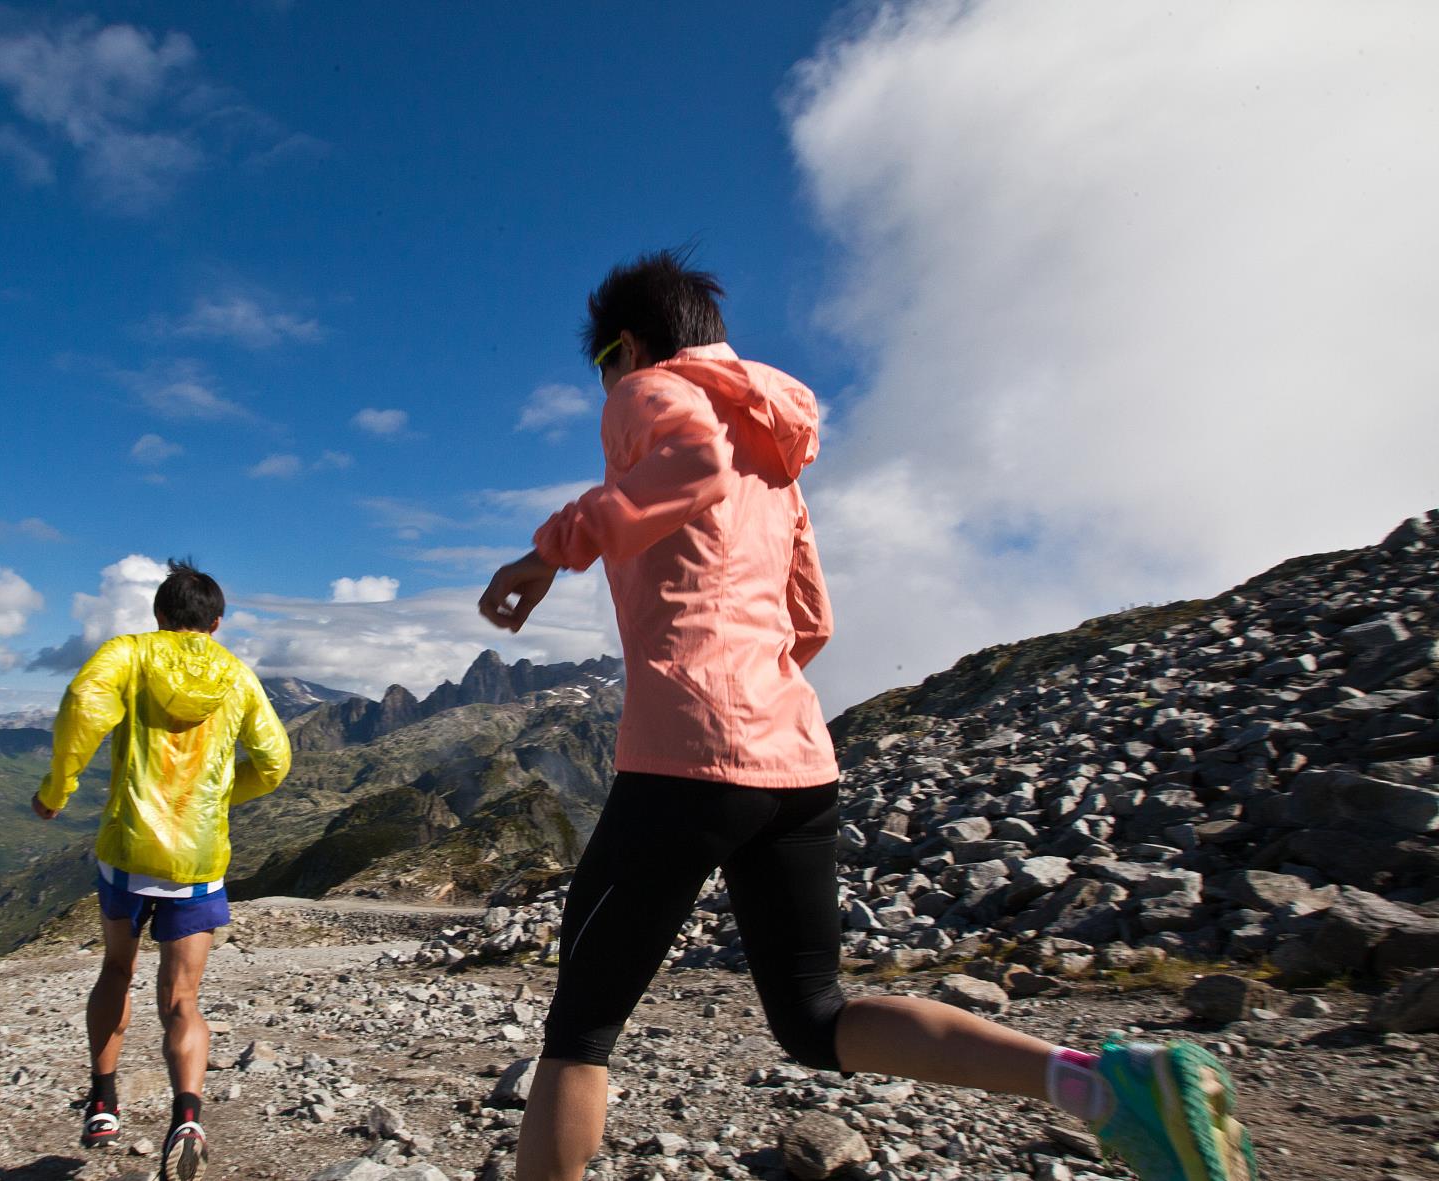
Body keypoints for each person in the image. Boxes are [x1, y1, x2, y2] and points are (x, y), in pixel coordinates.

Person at [478, 252, 1257, 1181]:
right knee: (816, 1014)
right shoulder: (777, 453)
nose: (606, 386)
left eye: (605, 362)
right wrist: (754, 690)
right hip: (797, 763)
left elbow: (692, 466)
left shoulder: (650, 389)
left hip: (686, 757)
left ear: (630, 345)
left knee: (580, 1032)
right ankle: (1107, 1084)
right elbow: (811, 619)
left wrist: (548, 552)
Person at [32, 559, 292, 1181]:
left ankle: (103, 1101)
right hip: (198, 863)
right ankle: (188, 1116)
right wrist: (216, 799)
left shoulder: (130, 654)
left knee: (116, 971)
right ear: (217, 623)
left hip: (128, 852)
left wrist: (57, 787)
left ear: (158, 614)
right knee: (182, 999)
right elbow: (275, 762)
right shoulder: (237, 676)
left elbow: (83, 703)